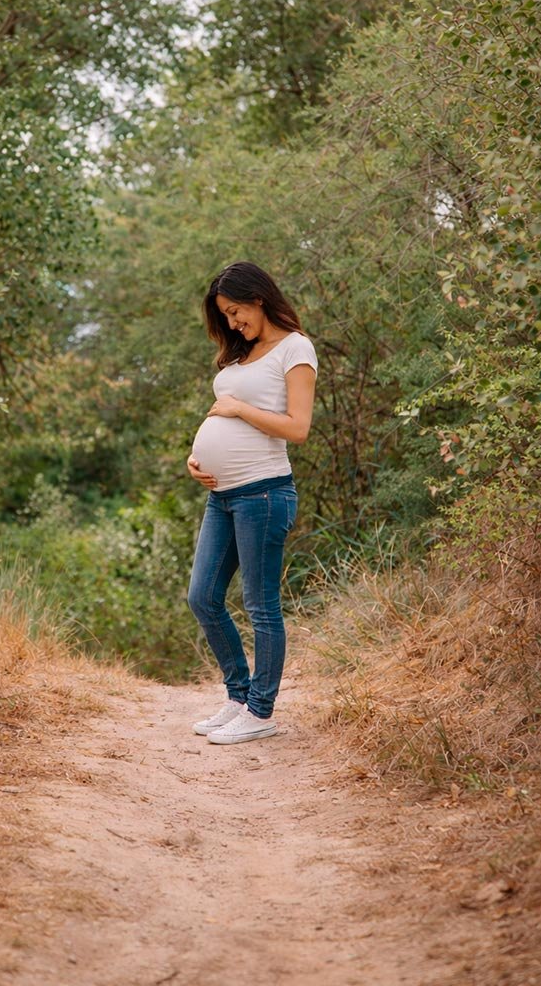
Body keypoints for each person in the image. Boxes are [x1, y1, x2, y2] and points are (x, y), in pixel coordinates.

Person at [187, 261, 317, 745]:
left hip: (264, 494)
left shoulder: (296, 348)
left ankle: (261, 712)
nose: (232, 323)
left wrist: (238, 409)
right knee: (202, 597)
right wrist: (196, 459)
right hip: (222, 496)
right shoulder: (242, 355)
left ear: (259, 299)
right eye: (225, 316)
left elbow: (298, 428)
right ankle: (239, 697)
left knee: (261, 606)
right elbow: (221, 420)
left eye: (235, 311)